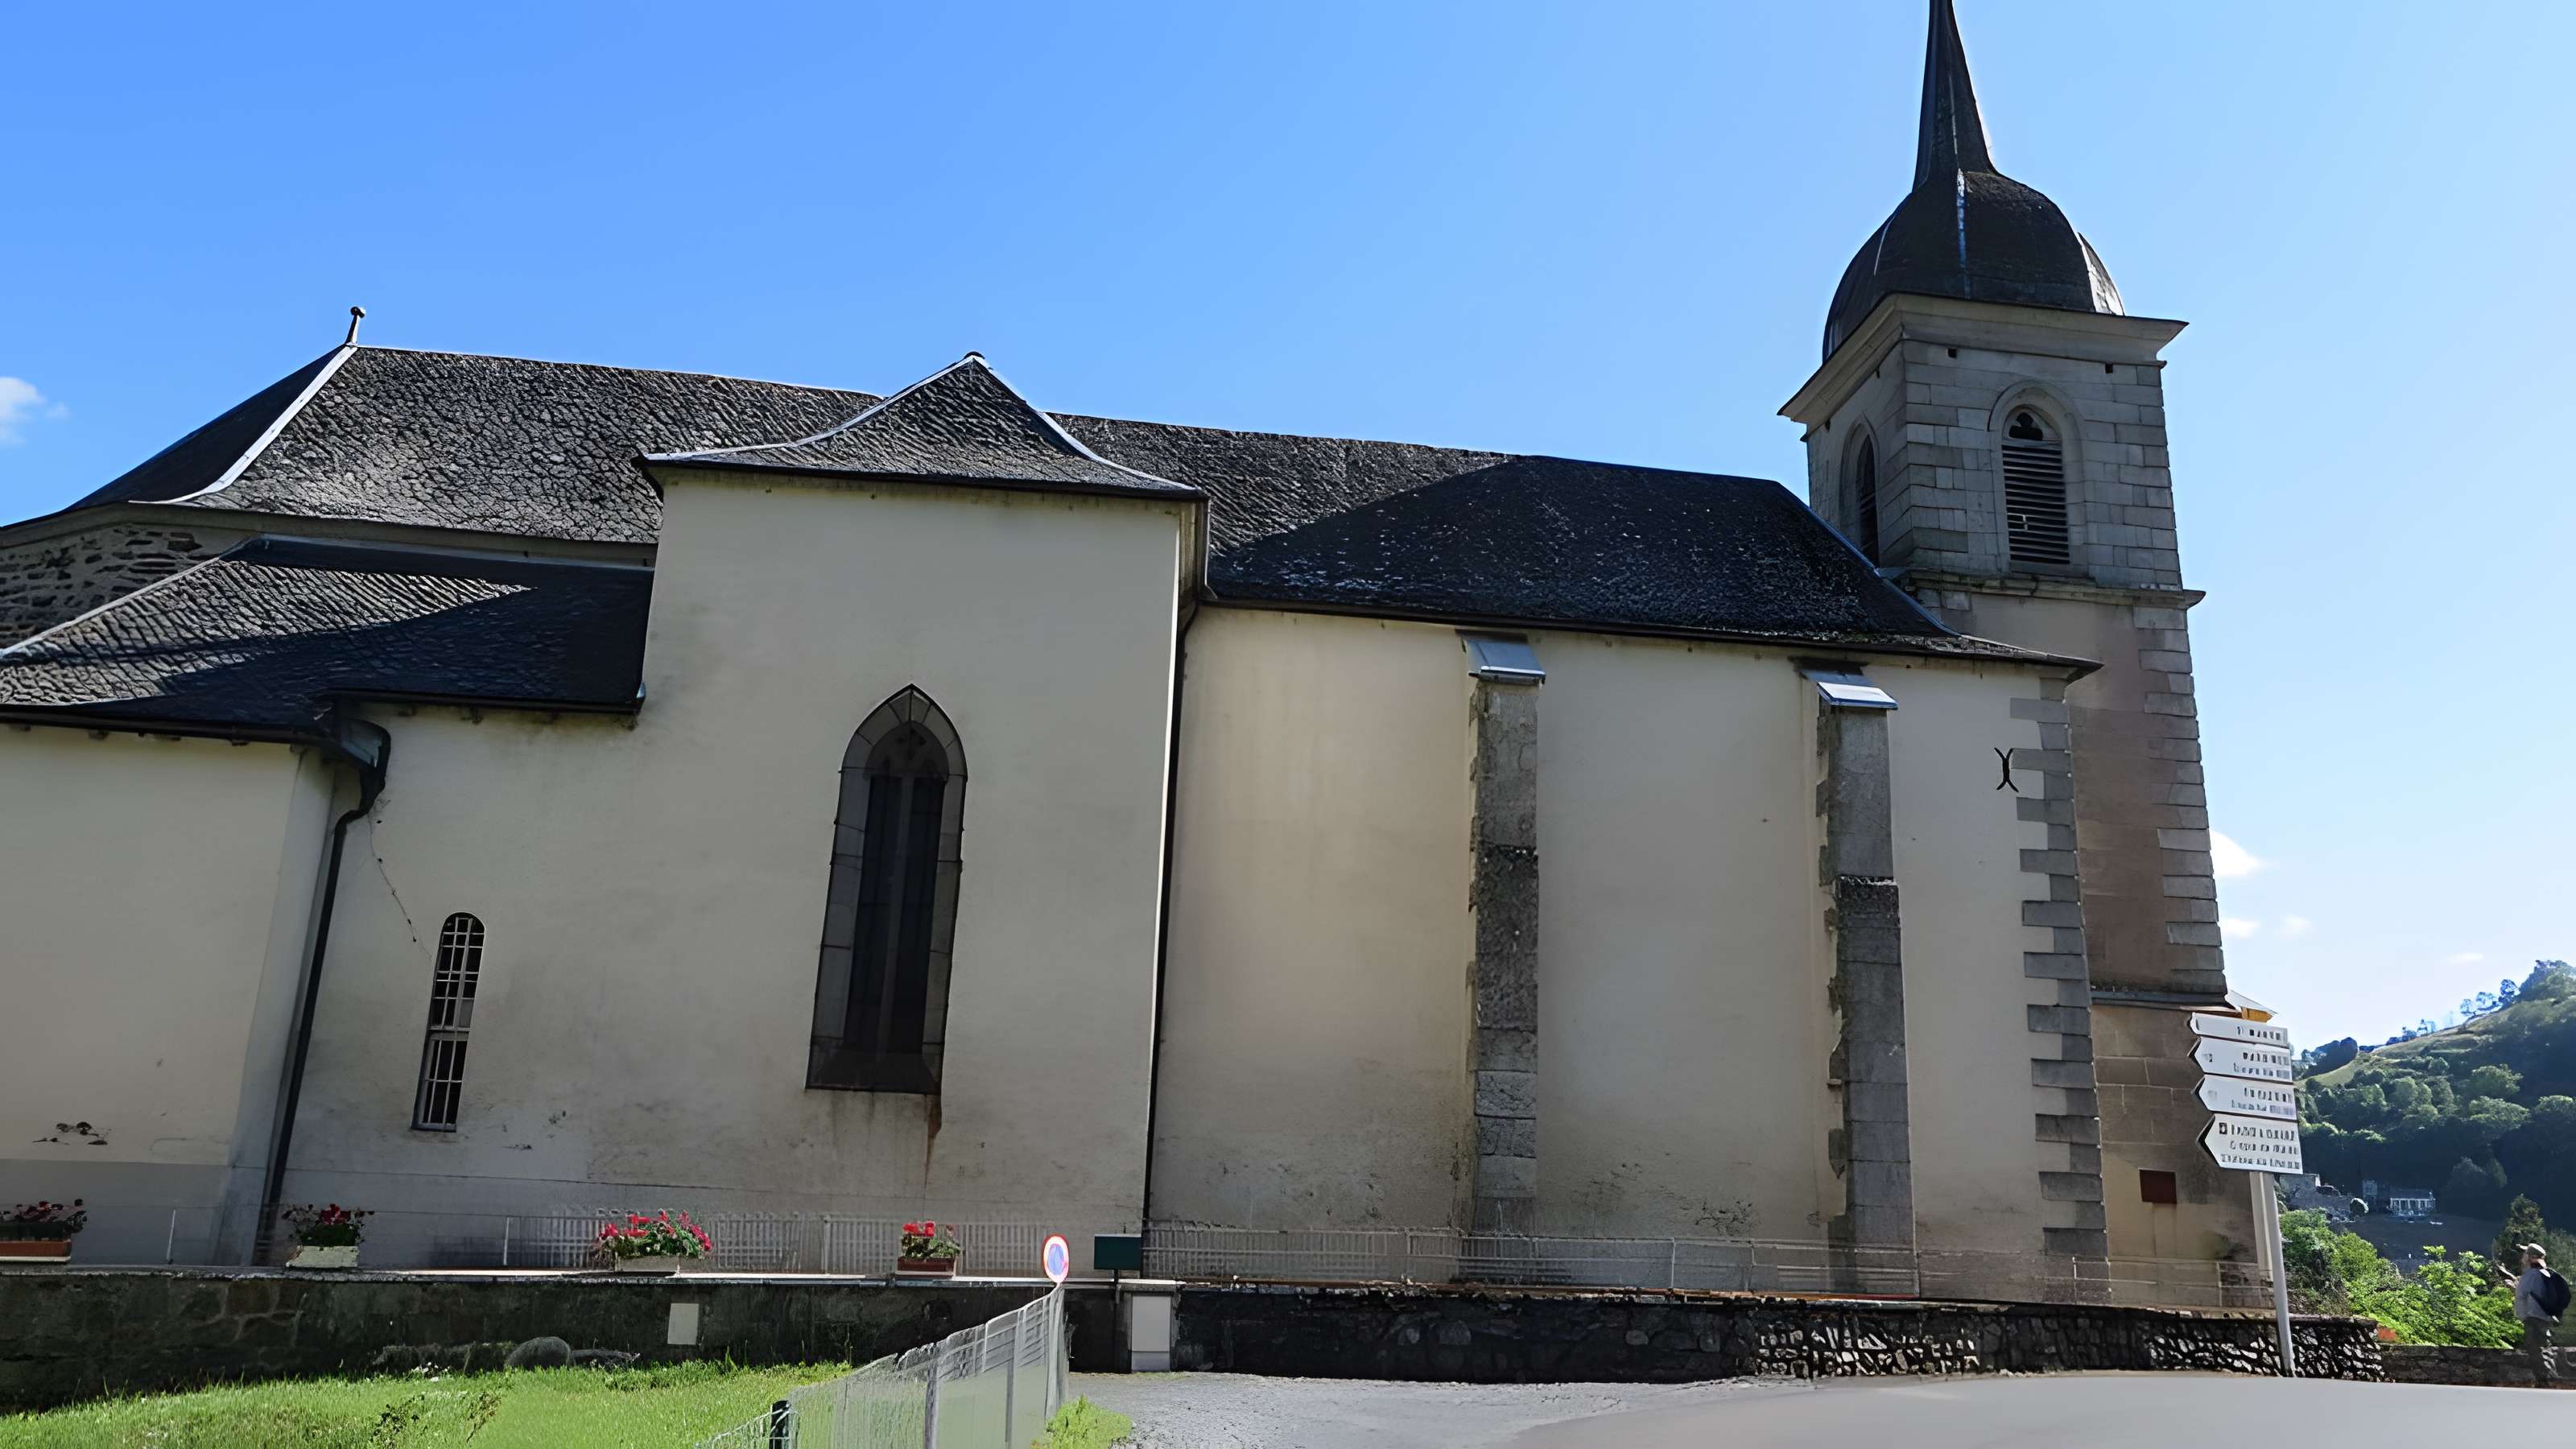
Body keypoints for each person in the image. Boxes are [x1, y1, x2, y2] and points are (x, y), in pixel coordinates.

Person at [2500, 1245, 2566, 1385]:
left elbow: (2521, 1297)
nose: (2523, 1257)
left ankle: (2545, 1381)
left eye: (2525, 1254)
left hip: (2533, 1318)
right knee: (2546, 1348)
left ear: (2531, 1257)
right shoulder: (2549, 1274)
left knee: (2536, 1350)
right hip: (2548, 1318)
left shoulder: (2529, 1276)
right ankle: (2550, 1379)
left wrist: (2521, 1316)